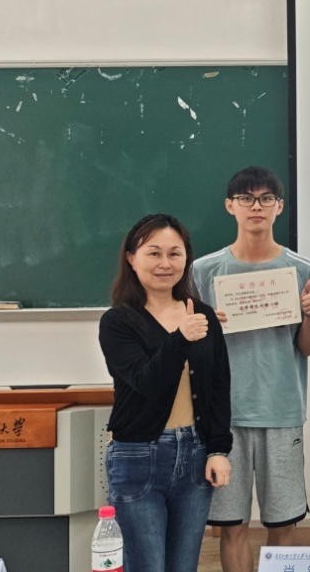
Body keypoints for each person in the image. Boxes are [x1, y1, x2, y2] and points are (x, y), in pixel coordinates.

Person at [191, 167, 310, 570]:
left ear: (279, 207)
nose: (256, 206)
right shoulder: (203, 272)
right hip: (224, 416)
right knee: (232, 526)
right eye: (246, 198)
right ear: (230, 206)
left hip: (282, 412)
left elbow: (307, 347)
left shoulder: (303, 271)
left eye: (266, 198)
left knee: (283, 523)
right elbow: (191, 348)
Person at [98, 214, 232, 572]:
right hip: (138, 455)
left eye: (175, 253)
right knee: (147, 566)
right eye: (154, 253)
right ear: (131, 258)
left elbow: (219, 387)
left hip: (195, 452)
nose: (165, 263)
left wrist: (218, 449)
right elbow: (146, 381)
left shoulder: (202, 315)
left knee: (183, 565)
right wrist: (181, 338)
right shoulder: (118, 321)